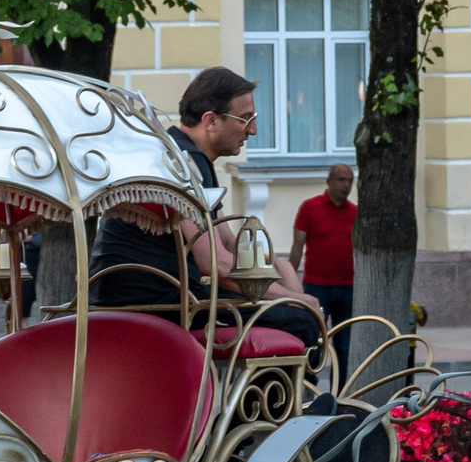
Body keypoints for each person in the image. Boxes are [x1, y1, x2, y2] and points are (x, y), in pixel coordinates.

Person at [89, 66, 324, 350]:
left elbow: (224, 239)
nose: (253, 130)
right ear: (211, 121)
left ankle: (282, 391)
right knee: (299, 319)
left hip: (164, 301)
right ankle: (280, 394)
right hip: (155, 307)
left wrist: (278, 267)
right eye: (245, 119)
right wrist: (292, 298)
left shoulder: (187, 155)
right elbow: (214, 262)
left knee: (292, 303)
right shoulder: (182, 161)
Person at [292, 163, 358, 371]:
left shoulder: (356, 213)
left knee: (345, 345)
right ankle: (308, 390)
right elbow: (297, 246)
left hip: (348, 287)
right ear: (329, 181)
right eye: (341, 180)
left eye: (349, 181)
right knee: (314, 341)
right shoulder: (310, 208)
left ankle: (341, 394)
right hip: (316, 286)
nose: (346, 185)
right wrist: (290, 284)